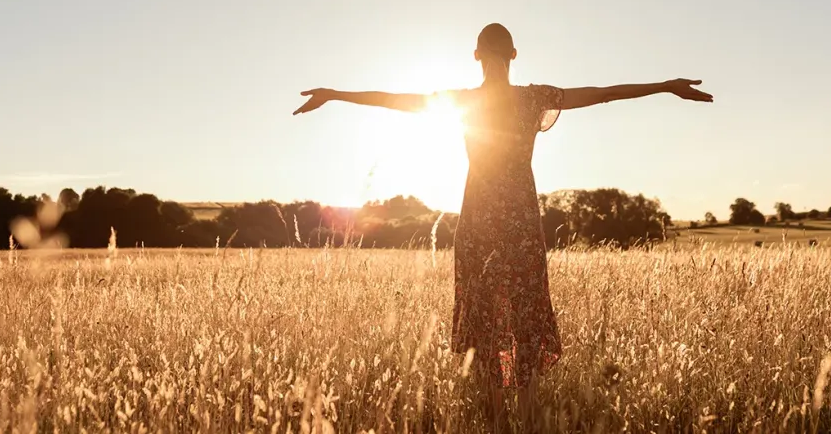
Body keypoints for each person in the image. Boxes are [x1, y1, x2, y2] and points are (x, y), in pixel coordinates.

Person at [293, 23, 713, 427]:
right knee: (524, 310)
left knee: (485, 315)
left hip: (477, 222)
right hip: (521, 223)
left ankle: (496, 419)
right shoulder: (534, 98)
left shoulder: (463, 101)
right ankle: (527, 417)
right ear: (514, 54)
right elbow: (605, 93)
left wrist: (334, 95)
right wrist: (665, 86)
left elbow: (393, 100)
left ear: (476, 55)